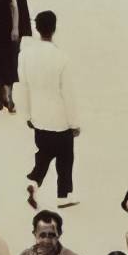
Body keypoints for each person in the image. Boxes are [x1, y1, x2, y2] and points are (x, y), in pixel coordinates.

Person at [18, 10, 78, 208]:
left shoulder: (25, 55)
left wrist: (26, 113)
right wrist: (74, 123)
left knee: (44, 153)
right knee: (65, 158)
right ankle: (63, 195)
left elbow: (23, 85)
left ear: (36, 28)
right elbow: (67, 93)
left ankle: (34, 181)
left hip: (38, 115)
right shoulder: (62, 57)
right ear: (54, 28)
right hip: (59, 117)